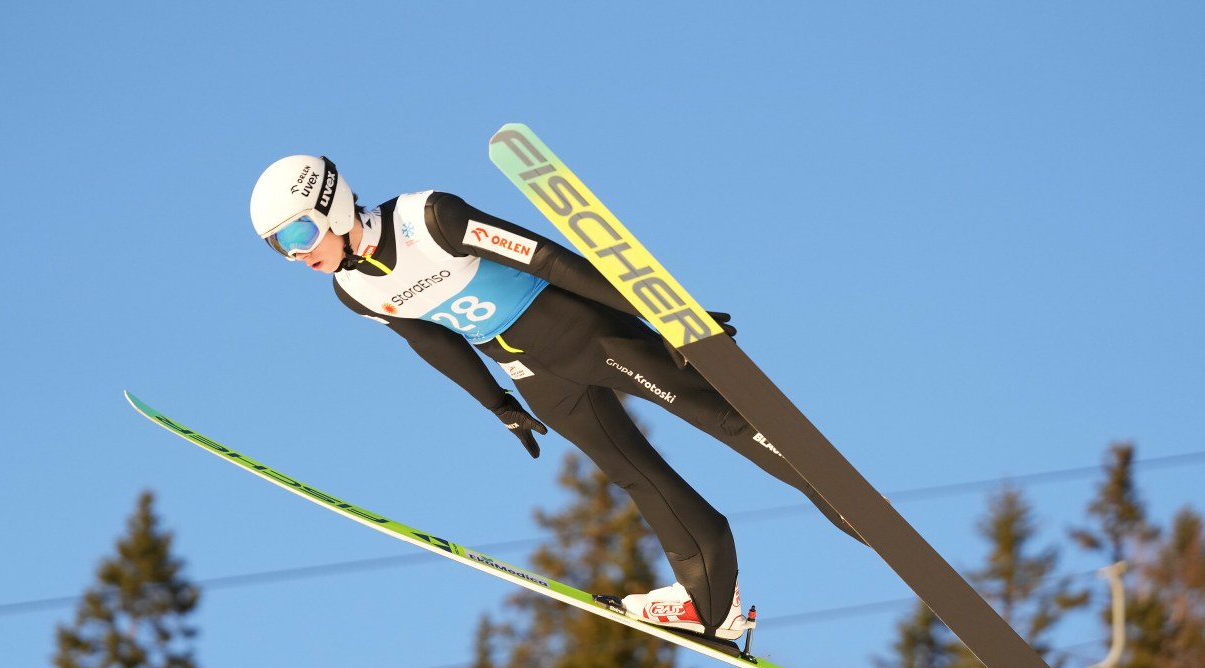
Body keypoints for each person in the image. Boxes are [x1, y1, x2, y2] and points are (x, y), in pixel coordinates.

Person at [249, 154, 858, 641]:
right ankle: (711, 601)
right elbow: (430, 341)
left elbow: (549, 259)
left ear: (330, 204)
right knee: (638, 478)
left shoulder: (429, 217)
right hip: (537, 378)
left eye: (298, 233)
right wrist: (498, 403)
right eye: (279, 248)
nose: (298, 254)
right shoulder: (352, 292)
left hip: (590, 333)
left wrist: (663, 313)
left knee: (719, 418)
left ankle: (848, 503)